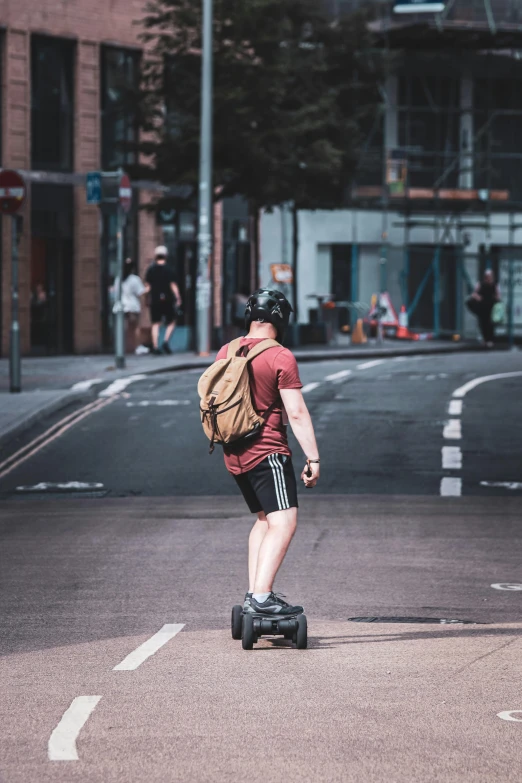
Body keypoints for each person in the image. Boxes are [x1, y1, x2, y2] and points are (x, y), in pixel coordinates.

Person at [214, 289, 320, 616]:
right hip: (267, 451)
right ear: (280, 319)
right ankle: (261, 597)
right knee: (285, 521)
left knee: (264, 519)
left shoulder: (226, 350)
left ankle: (253, 593)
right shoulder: (280, 356)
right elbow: (297, 412)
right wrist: (313, 458)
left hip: (234, 453)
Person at [144, 246, 182, 355]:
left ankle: (155, 347)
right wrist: (178, 298)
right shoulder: (169, 270)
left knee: (155, 323)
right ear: (166, 256)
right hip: (167, 299)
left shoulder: (151, 270)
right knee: (171, 321)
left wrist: (147, 299)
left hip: (155, 300)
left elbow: (148, 287)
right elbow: (173, 286)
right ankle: (165, 342)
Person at [113, 258, 146, 354]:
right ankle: (137, 346)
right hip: (132, 306)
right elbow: (141, 292)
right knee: (135, 328)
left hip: (120, 306)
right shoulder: (134, 279)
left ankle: (122, 347)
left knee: (123, 328)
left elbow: (116, 293)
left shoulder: (118, 279)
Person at [470, 269, 501, 347]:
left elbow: (498, 295)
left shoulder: (495, 285)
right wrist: (479, 298)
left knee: (490, 323)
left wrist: (496, 299)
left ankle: (490, 339)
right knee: (483, 323)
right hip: (483, 306)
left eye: (490, 276)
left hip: (491, 306)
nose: (489, 278)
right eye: (487, 276)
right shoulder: (481, 284)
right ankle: (485, 339)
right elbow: (474, 294)